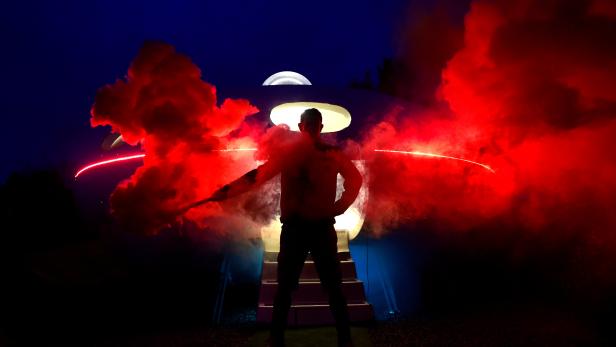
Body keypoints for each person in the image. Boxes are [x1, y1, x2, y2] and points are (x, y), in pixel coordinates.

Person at [186, 108, 362, 347]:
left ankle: (343, 338)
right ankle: (278, 338)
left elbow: (355, 179)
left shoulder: (331, 154)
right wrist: (227, 191)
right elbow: (258, 175)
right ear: (303, 127)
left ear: (318, 127)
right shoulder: (290, 154)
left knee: (331, 286)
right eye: (307, 125)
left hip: (320, 227)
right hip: (295, 228)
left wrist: (340, 207)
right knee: (286, 287)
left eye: (313, 125)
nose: (310, 129)